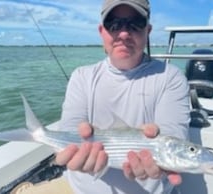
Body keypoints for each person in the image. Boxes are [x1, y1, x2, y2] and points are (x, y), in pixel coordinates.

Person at [56, 0, 190, 193]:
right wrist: (74, 150)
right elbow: (70, 127)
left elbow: (174, 132)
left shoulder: (171, 77)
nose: (124, 33)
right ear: (102, 31)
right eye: (114, 23)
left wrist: (160, 139)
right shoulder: (81, 76)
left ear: (148, 31)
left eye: (135, 23)